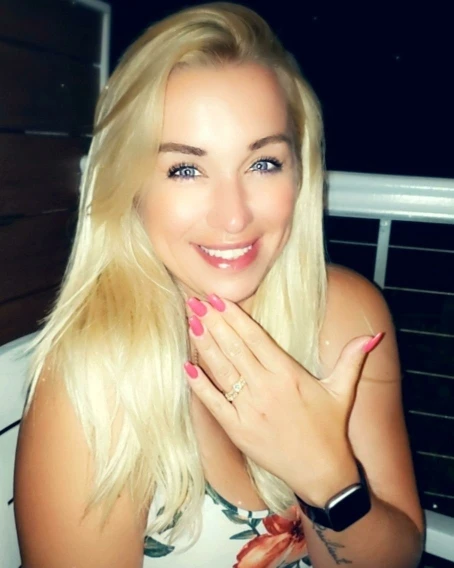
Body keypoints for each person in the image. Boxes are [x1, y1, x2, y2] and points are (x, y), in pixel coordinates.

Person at [14, 3, 424, 567]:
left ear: (300, 171)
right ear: (129, 185)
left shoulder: (346, 316)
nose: (234, 217)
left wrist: (327, 478)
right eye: (186, 169)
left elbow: (397, 556)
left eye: (263, 163)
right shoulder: (96, 380)